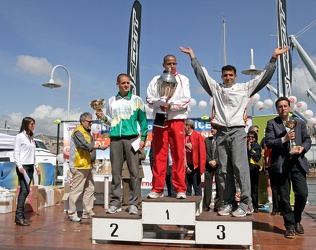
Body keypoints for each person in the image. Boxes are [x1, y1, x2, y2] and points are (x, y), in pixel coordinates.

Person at [180, 45, 290, 217]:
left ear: (235, 76)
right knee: (224, 170)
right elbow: (202, 76)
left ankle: (246, 203)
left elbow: (263, 78)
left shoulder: (244, 88)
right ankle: (229, 202)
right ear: (222, 77)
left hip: (238, 131)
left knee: (240, 167)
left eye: (231, 75)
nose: (228, 77)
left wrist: (273, 59)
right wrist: (193, 57)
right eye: (225, 75)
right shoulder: (216, 89)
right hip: (221, 132)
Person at [97, 73, 148, 215]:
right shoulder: (111, 100)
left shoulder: (137, 100)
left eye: (128, 83)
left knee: (134, 172)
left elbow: (143, 121)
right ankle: (115, 202)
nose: (126, 85)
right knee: (115, 173)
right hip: (115, 139)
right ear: (117, 84)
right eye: (123, 83)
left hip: (132, 138)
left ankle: (134, 203)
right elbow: (110, 121)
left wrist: (143, 138)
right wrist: (102, 118)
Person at [265, 97, 311, 239]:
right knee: (284, 198)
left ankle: (297, 220)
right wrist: (283, 139)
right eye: (280, 106)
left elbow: (307, 139)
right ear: (277, 109)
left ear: (290, 107)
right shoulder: (272, 123)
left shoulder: (300, 123)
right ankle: (290, 226)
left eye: (285, 106)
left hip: (297, 163)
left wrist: (302, 148)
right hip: (281, 165)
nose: (283, 108)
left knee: (302, 194)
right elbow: (269, 142)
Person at [146, 54, 191, 199]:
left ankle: (180, 189)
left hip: (176, 119)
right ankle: (157, 188)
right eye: (168, 64)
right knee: (159, 153)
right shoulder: (155, 80)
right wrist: (161, 104)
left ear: (176, 64)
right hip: (160, 118)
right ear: (163, 65)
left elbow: (185, 100)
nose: (171, 66)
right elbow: (149, 99)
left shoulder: (183, 79)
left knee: (178, 153)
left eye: (173, 63)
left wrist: (170, 106)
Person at [68, 112, 107, 222]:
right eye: (89, 122)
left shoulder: (87, 132)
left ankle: (87, 211)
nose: (91, 124)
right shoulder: (78, 132)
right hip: (79, 166)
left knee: (90, 189)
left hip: (88, 165)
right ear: (82, 121)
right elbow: (85, 146)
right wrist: (99, 147)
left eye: (92, 121)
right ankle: (71, 213)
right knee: (76, 190)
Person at [14, 117, 40, 226]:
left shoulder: (31, 138)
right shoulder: (20, 137)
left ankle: (20, 215)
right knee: (24, 190)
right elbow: (16, 152)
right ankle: (19, 216)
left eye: (34, 124)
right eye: (31, 124)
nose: (33, 126)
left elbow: (33, 154)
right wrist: (19, 165)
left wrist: (36, 165)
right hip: (23, 166)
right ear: (26, 124)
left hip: (30, 166)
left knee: (26, 191)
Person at [184, 119, 206, 196]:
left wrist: (201, 167)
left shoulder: (198, 136)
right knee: (187, 187)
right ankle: (187, 206)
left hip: (195, 165)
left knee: (197, 187)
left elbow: (202, 152)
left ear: (188, 126)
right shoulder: (183, 136)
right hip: (186, 165)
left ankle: (198, 206)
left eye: (184, 126)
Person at [203, 128, 223, 212]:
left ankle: (218, 205)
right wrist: (210, 161)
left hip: (219, 165)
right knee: (207, 187)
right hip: (208, 165)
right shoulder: (207, 140)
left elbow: (224, 153)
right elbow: (204, 152)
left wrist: (216, 161)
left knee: (220, 186)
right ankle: (206, 205)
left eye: (214, 129)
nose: (212, 130)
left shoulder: (222, 140)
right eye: (211, 129)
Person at [247, 130, 262, 213]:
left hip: (254, 169)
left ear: (255, 138)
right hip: (246, 169)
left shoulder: (257, 146)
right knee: (247, 188)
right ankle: (247, 205)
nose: (250, 138)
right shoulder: (244, 145)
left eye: (252, 137)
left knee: (254, 188)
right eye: (249, 137)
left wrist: (250, 150)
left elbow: (257, 157)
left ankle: (255, 206)